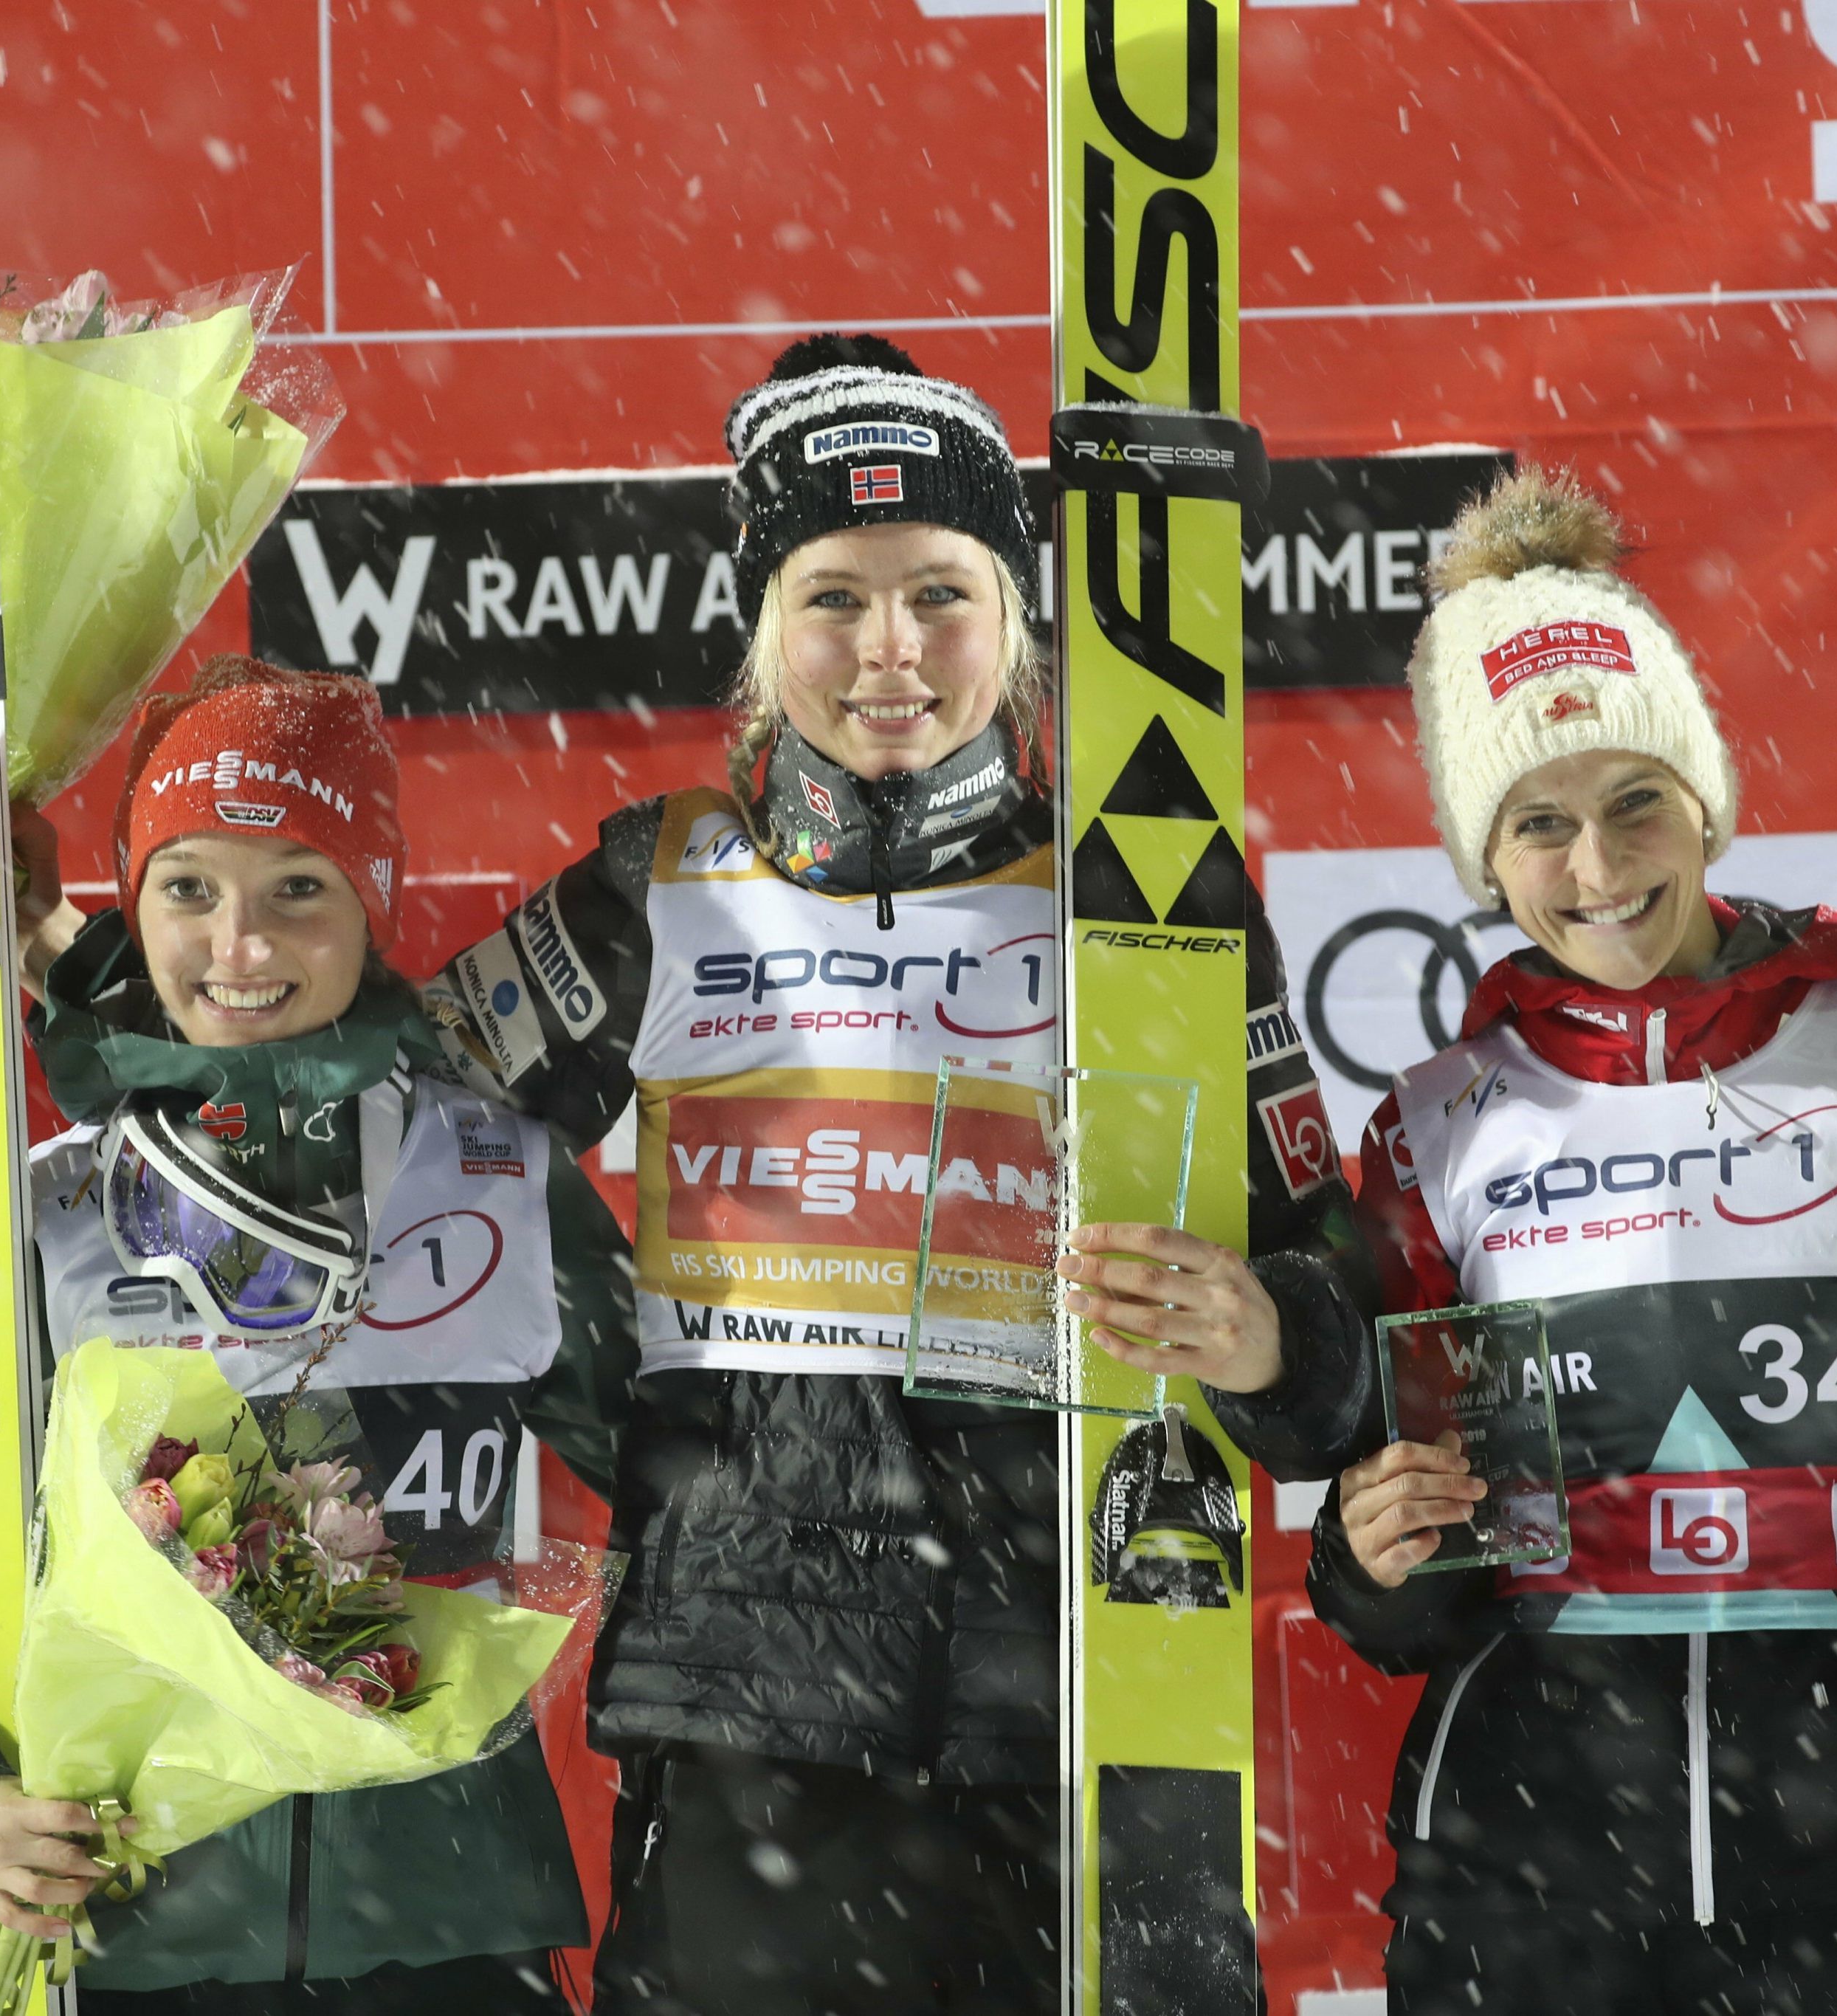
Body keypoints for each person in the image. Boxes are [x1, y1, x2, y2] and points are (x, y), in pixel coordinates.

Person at [420, 333, 1368, 2015]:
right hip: (747, 1723)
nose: (891, 651)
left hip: (1088, 1703)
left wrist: (1272, 1335)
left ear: (1016, 615)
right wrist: (79, 983)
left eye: (940, 590)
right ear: (761, 625)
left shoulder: (1148, 900)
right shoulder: (660, 882)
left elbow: (1332, 1313)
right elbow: (374, 1129)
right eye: (833, 597)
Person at [1247, 467, 1837, 2015]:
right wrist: (1368, 1551)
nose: (1601, 867)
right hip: (1530, 1863)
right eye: (1539, 824)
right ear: (1485, 863)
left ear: (1709, 799)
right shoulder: (1437, 1129)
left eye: (1637, 800)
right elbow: (1410, 1607)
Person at [0, 658, 638, 2013]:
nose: (238, 949)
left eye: (298, 887)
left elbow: (697, 1482)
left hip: (456, 1947)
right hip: (145, 1946)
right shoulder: (36, 1222)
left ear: (374, 905)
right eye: (189, 889)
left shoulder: (499, 1181)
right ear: (132, 905)